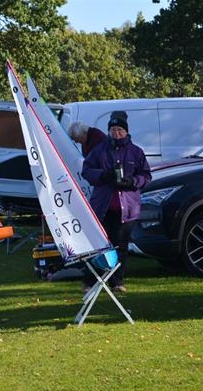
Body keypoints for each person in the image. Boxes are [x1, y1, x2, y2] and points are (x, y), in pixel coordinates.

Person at [82, 111, 151, 293]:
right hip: (103, 207)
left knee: (121, 246)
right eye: (113, 130)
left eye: (120, 129)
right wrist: (103, 175)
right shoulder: (99, 150)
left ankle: (117, 282)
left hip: (127, 209)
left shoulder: (136, 152)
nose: (116, 133)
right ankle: (90, 281)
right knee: (98, 245)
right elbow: (86, 170)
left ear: (126, 132)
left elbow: (146, 176)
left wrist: (132, 182)